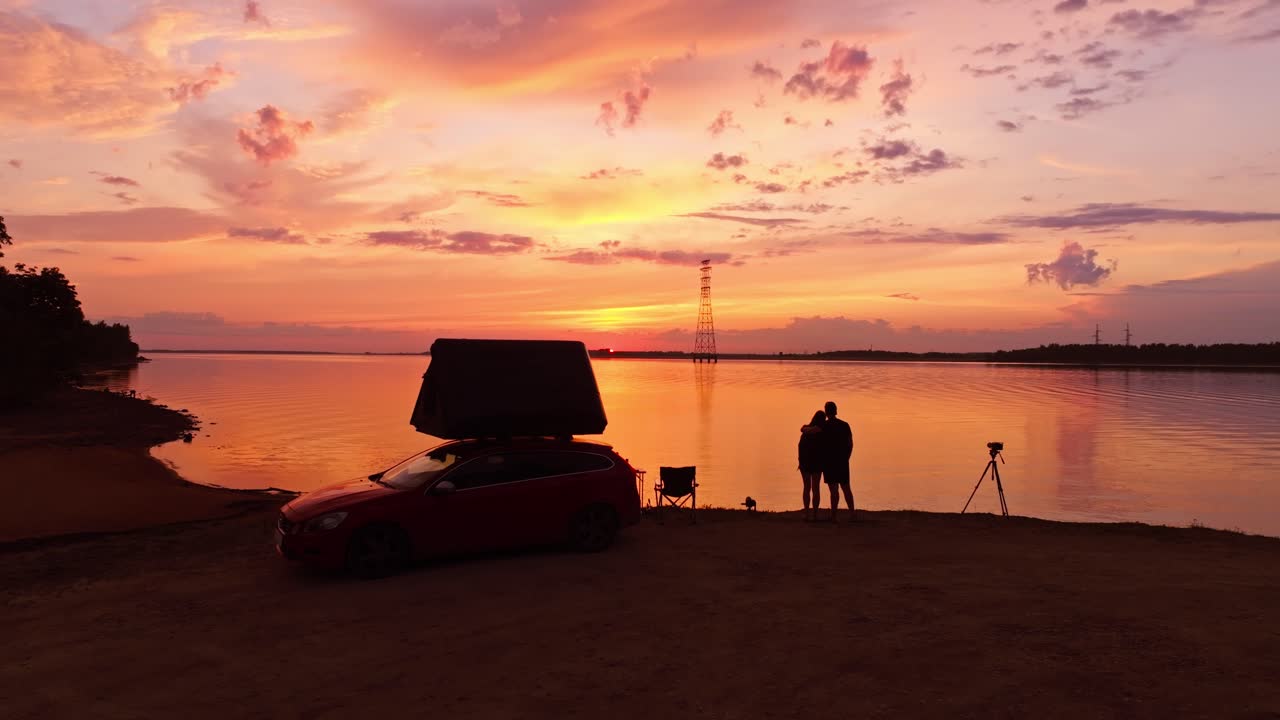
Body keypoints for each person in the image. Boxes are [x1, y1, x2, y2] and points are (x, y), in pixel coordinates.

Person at [822, 401, 854, 522]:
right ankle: (852, 513)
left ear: (826, 412)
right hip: (842, 461)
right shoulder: (844, 425)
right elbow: (850, 443)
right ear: (835, 410)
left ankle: (833, 515)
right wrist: (847, 457)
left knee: (833, 490)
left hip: (829, 462)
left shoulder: (824, 426)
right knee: (846, 488)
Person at [797, 410, 826, 521]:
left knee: (806, 488)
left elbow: (800, 447)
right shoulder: (822, 432)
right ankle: (815, 514)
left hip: (805, 464)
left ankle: (807, 513)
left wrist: (800, 462)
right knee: (816, 489)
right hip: (817, 464)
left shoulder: (805, 432)